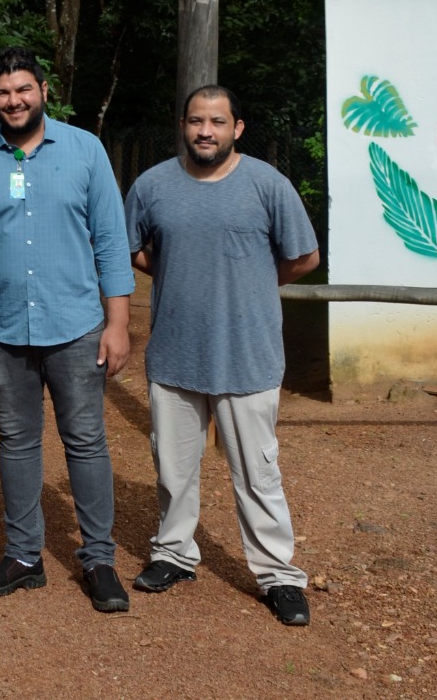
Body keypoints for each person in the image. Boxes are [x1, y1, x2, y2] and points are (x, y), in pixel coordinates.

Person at [0, 46, 135, 612]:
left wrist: (118, 322)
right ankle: (24, 557)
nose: (13, 100)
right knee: (17, 443)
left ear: (44, 90)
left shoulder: (85, 151)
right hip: (1, 330)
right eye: (2, 92)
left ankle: (98, 558)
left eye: (23, 89)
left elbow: (112, 242)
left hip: (75, 327)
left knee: (87, 442)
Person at [124, 85, 320, 626]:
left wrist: (254, 280)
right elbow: (132, 247)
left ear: (238, 128)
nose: (204, 131)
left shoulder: (267, 185)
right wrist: (175, 272)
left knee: (258, 473)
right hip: (175, 352)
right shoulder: (153, 185)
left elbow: (304, 257)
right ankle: (173, 554)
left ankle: (278, 574)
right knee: (173, 468)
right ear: (182, 126)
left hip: (248, 355)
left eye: (216, 121)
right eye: (194, 121)